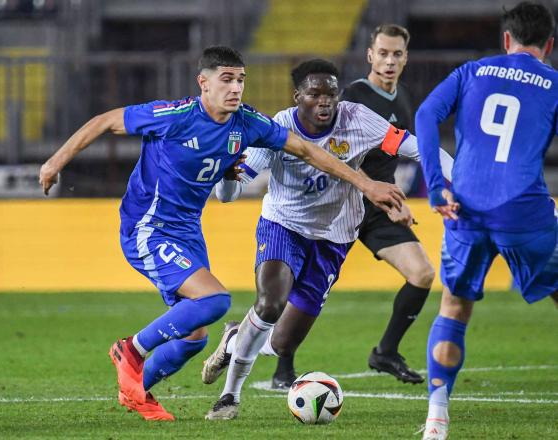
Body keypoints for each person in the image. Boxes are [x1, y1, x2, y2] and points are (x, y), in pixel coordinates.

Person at [39, 46, 405, 421]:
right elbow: (105, 120)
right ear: (204, 83)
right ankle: (130, 350)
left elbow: (307, 151)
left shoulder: (246, 123)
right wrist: (55, 162)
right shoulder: (175, 116)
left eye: (241, 80)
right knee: (214, 302)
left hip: (187, 232)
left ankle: (136, 389)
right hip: (148, 227)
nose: (235, 88)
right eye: (226, 79)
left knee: (195, 336)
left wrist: (365, 184)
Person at [202, 59, 454, 420]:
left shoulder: (357, 120)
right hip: (282, 226)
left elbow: (417, 148)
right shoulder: (277, 129)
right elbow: (227, 195)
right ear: (297, 97)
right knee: (270, 303)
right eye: (315, 94)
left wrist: (459, 177)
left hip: (335, 236)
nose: (325, 101)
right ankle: (230, 396)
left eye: (331, 94)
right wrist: (228, 172)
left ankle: (234, 336)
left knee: (282, 342)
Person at [414, 3, 557, 439]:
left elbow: (425, 115)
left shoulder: (472, 71)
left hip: (465, 208)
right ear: (549, 45)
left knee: (454, 307)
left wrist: (437, 186)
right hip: (524, 210)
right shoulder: (553, 83)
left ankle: (437, 416)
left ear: (507, 40)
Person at [268, 24, 433, 388]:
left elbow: (401, 151)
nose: (390, 61)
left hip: (376, 207)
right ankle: (283, 367)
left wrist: (396, 198)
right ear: (370, 55)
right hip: (337, 204)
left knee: (422, 274)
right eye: (383, 53)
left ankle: (386, 351)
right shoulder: (350, 100)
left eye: (397, 54)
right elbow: (325, 152)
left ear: (406, 57)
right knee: (298, 284)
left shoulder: (403, 97)